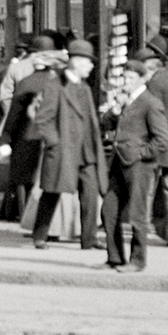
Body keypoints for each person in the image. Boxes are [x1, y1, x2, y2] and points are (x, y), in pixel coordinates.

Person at [31, 39, 109, 251]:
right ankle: (40, 235)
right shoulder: (55, 85)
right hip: (64, 149)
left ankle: (89, 238)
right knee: (52, 191)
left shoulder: (84, 87)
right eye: (88, 62)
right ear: (75, 62)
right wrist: (54, 142)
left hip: (86, 151)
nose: (92, 67)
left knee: (91, 194)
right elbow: (43, 119)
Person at [101, 60, 168, 273]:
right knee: (108, 210)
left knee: (137, 214)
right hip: (118, 162)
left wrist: (141, 154)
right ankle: (115, 257)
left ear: (143, 79)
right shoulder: (125, 100)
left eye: (131, 78)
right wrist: (115, 109)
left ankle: (138, 260)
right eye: (124, 77)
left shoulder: (150, 103)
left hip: (139, 166)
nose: (126, 82)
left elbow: (163, 140)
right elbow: (105, 124)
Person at [0, 38, 66, 222]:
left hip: (26, 133)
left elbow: (8, 102)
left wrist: (5, 136)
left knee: (24, 179)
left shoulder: (21, 74)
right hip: (52, 137)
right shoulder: (60, 80)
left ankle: (25, 215)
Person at [135, 36, 168, 241]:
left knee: (148, 187)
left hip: (156, 141)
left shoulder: (154, 84)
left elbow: (151, 113)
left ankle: (144, 224)